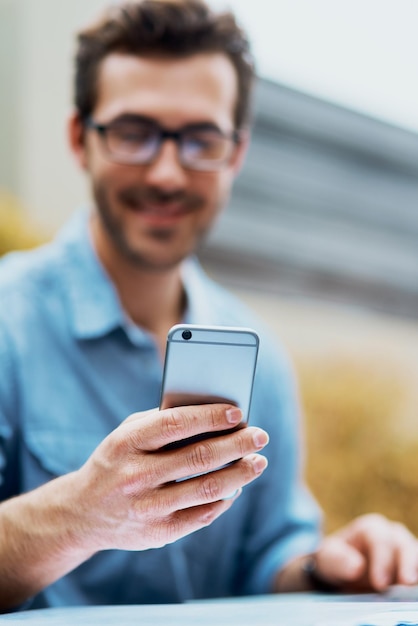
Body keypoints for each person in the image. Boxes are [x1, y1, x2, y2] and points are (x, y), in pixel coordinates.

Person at [0, 0, 417, 613]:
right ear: (78, 140)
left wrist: (326, 570)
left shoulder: (260, 355)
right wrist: (81, 514)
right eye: (134, 133)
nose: (167, 173)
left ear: (236, 154)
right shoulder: (8, 321)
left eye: (201, 139)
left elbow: (267, 565)